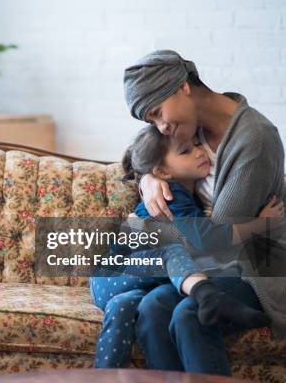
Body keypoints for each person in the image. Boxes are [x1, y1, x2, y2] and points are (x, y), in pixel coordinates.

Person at [122, 49, 286, 375]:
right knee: (152, 308)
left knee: (190, 316)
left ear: (183, 86)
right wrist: (150, 180)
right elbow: (138, 159)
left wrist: (147, 228)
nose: (162, 127)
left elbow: (216, 237)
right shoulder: (186, 128)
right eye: (152, 121)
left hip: (257, 263)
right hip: (214, 261)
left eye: (157, 113)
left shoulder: (254, 138)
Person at [90, 125, 279, 368]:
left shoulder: (189, 196)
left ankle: (105, 373)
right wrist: (261, 224)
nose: (200, 152)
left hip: (129, 284)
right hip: (111, 275)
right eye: (186, 151)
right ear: (162, 171)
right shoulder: (171, 196)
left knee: (128, 305)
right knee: (171, 255)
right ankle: (208, 296)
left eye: (197, 144)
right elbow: (209, 239)